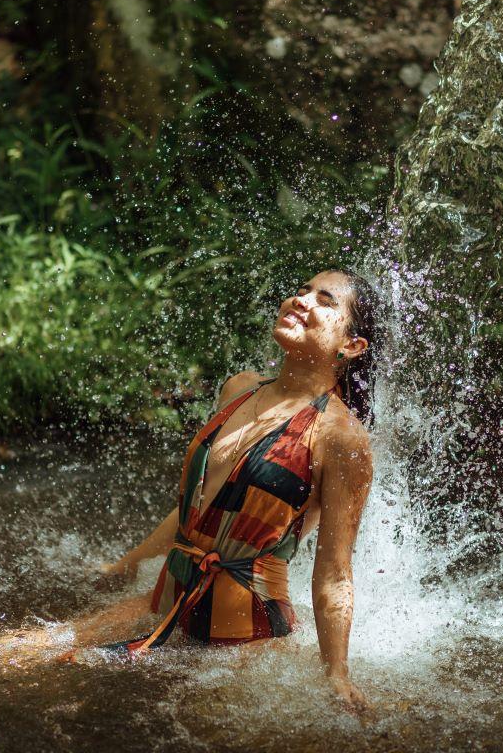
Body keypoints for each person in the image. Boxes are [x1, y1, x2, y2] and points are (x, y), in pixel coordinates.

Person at [63, 268, 378, 715]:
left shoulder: (342, 438)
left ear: (351, 346)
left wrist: (336, 674)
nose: (301, 299)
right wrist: (130, 560)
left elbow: (334, 569)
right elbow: (201, 509)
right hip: (163, 605)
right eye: (301, 289)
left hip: (242, 641)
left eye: (325, 300)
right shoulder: (239, 388)